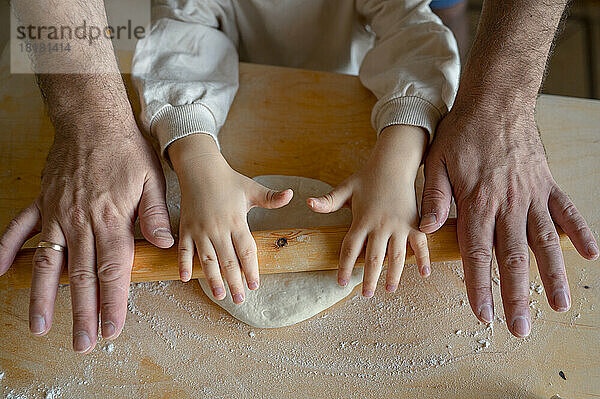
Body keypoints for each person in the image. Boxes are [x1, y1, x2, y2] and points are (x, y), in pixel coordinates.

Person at [0, 0, 597, 355]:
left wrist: (398, 157)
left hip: (348, 76)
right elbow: (186, 29)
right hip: (247, 84)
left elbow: (413, 31)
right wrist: (197, 158)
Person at [131, 0, 460, 304]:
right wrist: (197, 161)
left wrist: (396, 164)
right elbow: (180, 34)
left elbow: (413, 35)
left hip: (351, 92)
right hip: (233, 96)